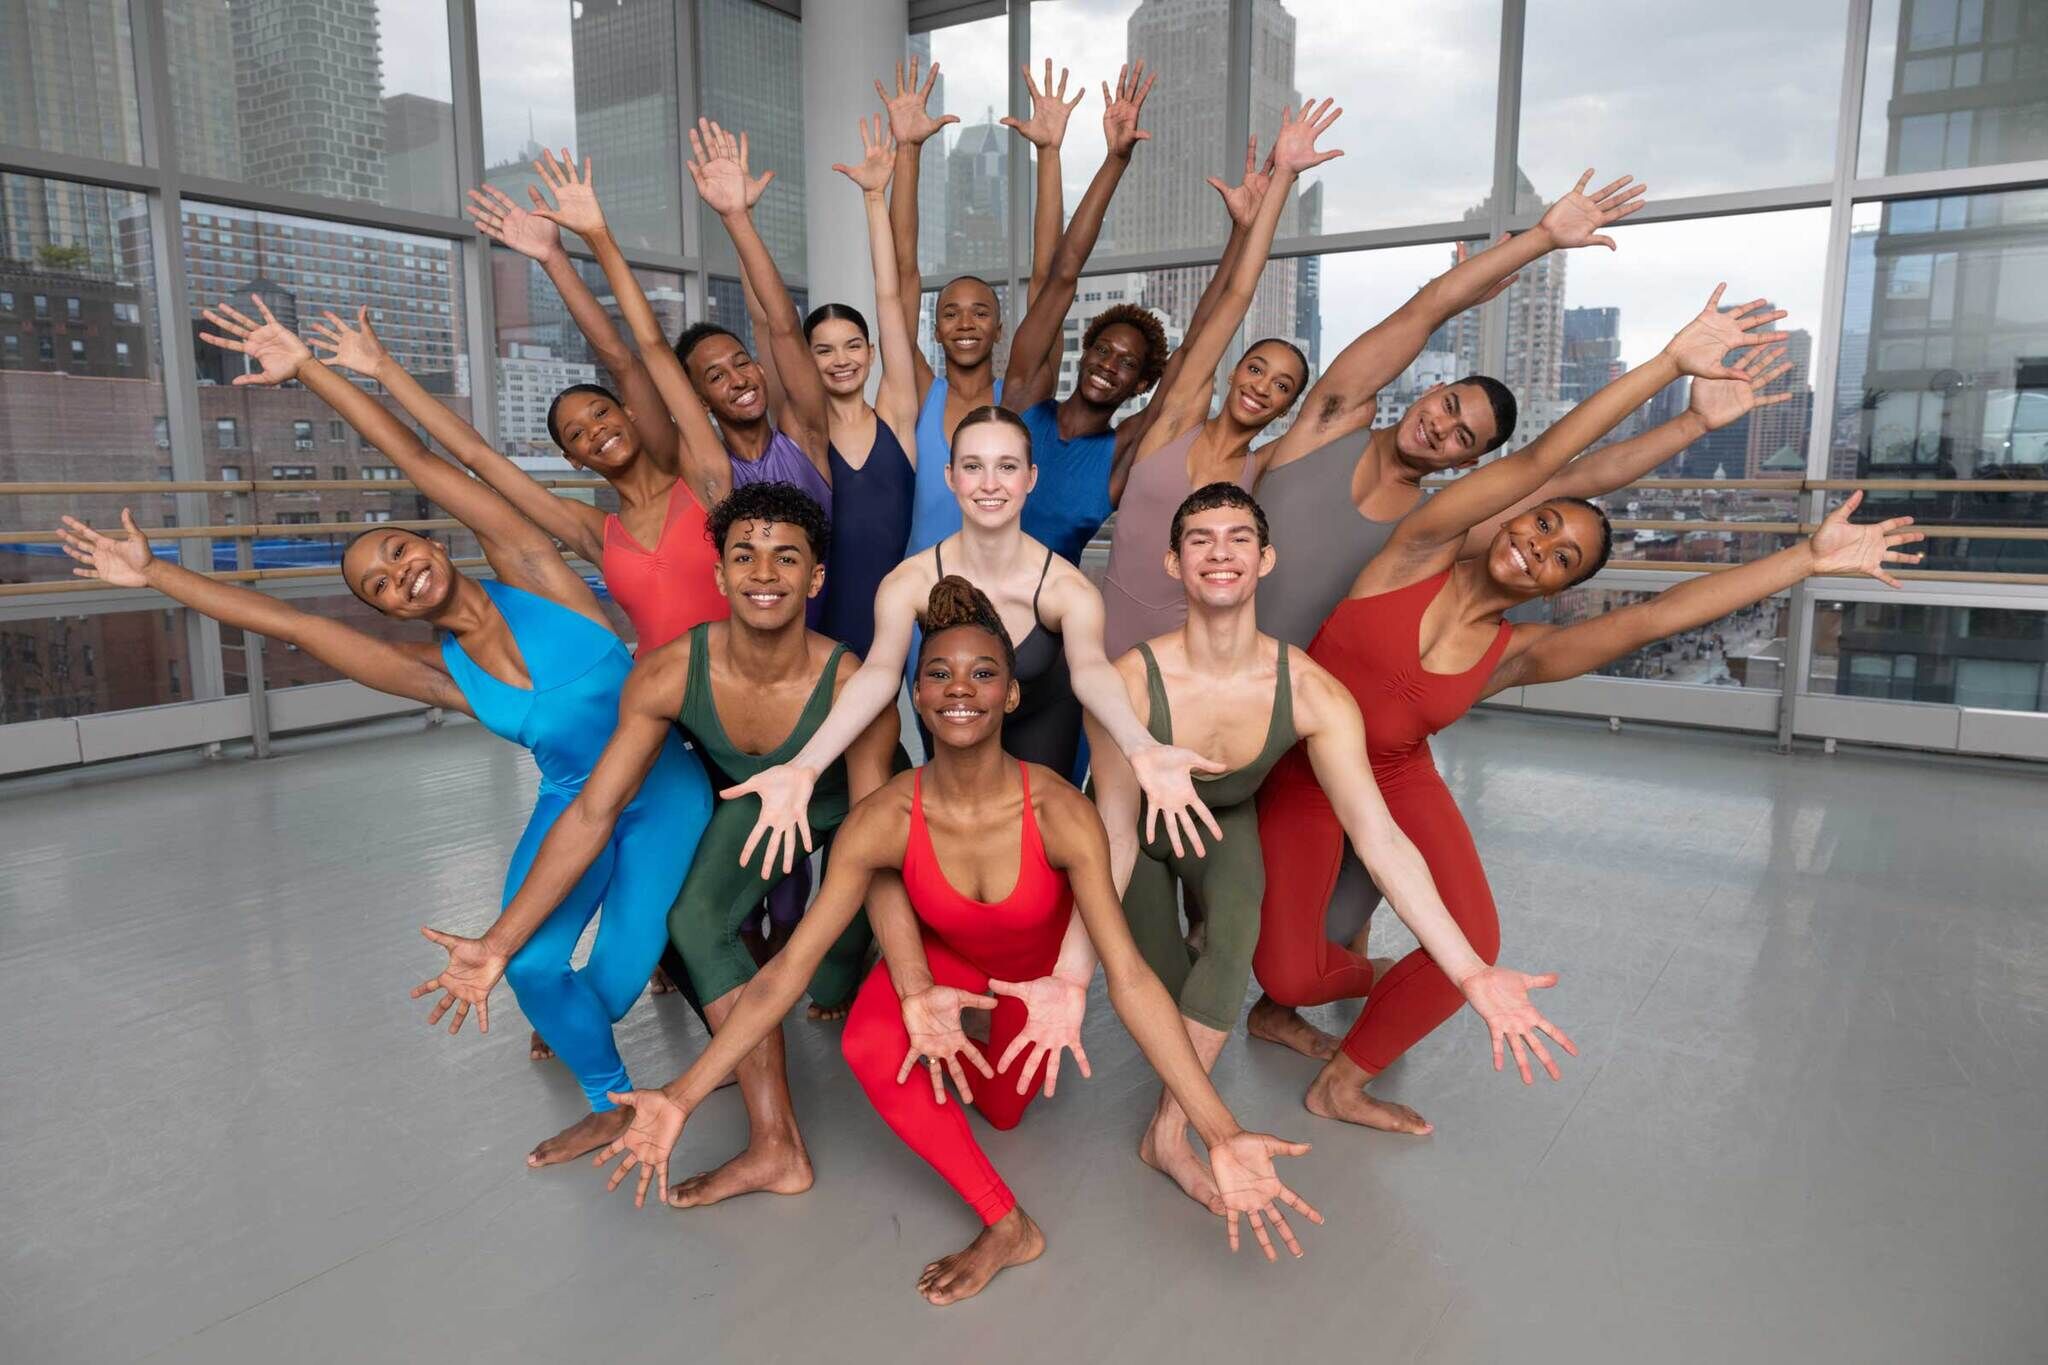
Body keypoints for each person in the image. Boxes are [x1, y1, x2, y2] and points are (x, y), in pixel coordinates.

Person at [58, 297, 714, 1167]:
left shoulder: (532, 569)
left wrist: (311, 371)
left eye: (400, 552)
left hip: (663, 791)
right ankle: (608, 1099)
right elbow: (290, 625)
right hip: (572, 804)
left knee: (617, 978)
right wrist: (156, 574)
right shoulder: (438, 672)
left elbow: (421, 457)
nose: (400, 575)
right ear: (384, 610)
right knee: (527, 967)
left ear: (430, 544)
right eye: (379, 585)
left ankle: (591, 1024)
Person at [1253, 288, 1923, 1135]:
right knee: (1288, 976)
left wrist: (1806, 560)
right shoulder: (1416, 548)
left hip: (1394, 770)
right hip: (1305, 765)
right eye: (1540, 525)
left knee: (1477, 940)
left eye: (1559, 557)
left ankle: (1342, 1083)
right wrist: (1669, 365)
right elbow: (1547, 459)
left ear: (1558, 587)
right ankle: (1355, 980)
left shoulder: (1519, 653)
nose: (1535, 545)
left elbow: (1656, 618)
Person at [592, 578, 1324, 1306]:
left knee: (1001, 1110)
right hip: (946, 967)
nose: (960, 689)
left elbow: (1128, 976)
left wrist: (1219, 1130)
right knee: (871, 1042)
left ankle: (974, 1044)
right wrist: (682, 1096)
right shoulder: (883, 819)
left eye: (983, 673)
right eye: (938, 673)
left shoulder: (1060, 812)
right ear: (916, 695)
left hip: (1031, 988)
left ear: (1011, 693)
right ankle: (1007, 1223)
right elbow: (787, 971)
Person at [402, 481, 907, 1202]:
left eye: (787, 557)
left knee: (832, 977)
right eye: (745, 556)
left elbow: (872, 841)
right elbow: (593, 810)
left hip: (854, 808)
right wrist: (498, 943)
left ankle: (849, 971)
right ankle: (777, 1146)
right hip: (757, 801)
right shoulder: (669, 671)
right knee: (695, 918)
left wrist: (900, 973)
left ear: (816, 577)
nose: (764, 573)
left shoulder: (853, 686)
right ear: (720, 575)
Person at [1089, 484, 1572, 1210]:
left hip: (1224, 823)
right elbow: (1116, 832)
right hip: (1136, 833)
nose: (1220, 552)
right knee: (1162, 983)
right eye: (1200, 539)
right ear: (1172, 561)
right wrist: (1074, 970)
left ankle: (1171, 1133)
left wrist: (1470, 970)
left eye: (1239, 538)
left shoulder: (1314, 691)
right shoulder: (1126, 680)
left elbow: (1381, 839)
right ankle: (1194, 1113)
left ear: (1265, 559)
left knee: (1234, 937)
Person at [717, 405, 1225, 887]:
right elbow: (878, 675)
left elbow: (1092, 671)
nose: (989, 484)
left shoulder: (1066, 589)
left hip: (1041, 750)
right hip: (957, 747)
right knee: (955, 878)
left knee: (1030, 878)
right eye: (973, 466)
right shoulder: (909, 582)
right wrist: (804, 767)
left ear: (1030, 478)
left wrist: (1142, 747)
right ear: (950, 477)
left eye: (1007, 467)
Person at [1252, 167, 1650, 651]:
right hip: (1181, 641)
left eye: (1462, 436)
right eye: (1449, 405)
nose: (1441, 427)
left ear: (1466, 462)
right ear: (1433, 389)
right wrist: (1542, 238)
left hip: (1278, 687)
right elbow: (1424, 310)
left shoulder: (1431, 530)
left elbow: (1576, 477)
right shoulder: (1332, 421)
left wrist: (1694, 418)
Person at [460, 153, 734, 650]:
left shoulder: (701, 479)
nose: (596, 430)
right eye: (577, 434)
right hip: (660, 688)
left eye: (601, 412)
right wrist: (380, 370)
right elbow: (479, 458)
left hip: (743, 678)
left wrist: (584, 244)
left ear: (629, 413)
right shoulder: (594, 531)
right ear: (573, 458)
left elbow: (639, 351)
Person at [1097, 102, 1341, 658]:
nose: (1262, 387)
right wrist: (1283, 179)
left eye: (1281, 386)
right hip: (1105, 645)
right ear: (1234, 372)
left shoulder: (1263, 467)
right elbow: (1236, 296)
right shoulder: (1178, 420)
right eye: (1256, 369)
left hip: (1190, 657)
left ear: (1286, 407)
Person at [877, 55, 1072, 556]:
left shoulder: (1021, 397)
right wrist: (908, 150)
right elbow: (901, 273)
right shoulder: (921, 393)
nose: (966, 322)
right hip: (921, 592)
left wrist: (1049, 154)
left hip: (999, 592)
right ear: (935, 329)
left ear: (1000, 328)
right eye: (950, 313)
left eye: (981, 312)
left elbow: (1049, 281)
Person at [994, 62, 1165, 566]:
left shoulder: (1122, 450)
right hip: (967, 598)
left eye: (1127, 363)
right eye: (1104, 349)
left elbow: (1201, 348)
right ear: (1085, 351)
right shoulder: (1024, 402)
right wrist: (1113, 160)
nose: (1109, 364)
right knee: (1050, 283)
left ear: (1141, 383)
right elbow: (1059, 275)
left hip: (1049, 611)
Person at [676, 121, 835, 627]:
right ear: (700, 400)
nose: (739, 378)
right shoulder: (707, 470)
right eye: (716, 376)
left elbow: (781, 325)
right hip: (746, 650)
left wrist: (737, 218)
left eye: (741, 362)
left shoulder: (804, 436)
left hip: (822, 641)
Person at [792, 114, 923, 661]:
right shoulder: (803, 436)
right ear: (808, 360)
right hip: (821, 620)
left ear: (870, 352)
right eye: (824, 350)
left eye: (852, 346)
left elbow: (890, 298)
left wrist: (875, 199)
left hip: (896, 620)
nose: (841, 360)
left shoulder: (896, 415)